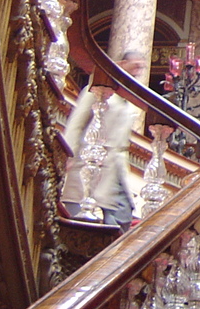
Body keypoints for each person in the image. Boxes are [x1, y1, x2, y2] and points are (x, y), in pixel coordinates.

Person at [59, 52, 146, 229]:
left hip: (115, 169)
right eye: (135, 65)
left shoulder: (128, 99)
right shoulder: (98, 90)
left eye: (141, 66)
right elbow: (76, 123)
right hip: (89, 163)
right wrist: (67, 153)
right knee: (79, 215)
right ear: (122, 64)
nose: (139, 70)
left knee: (122, 216)